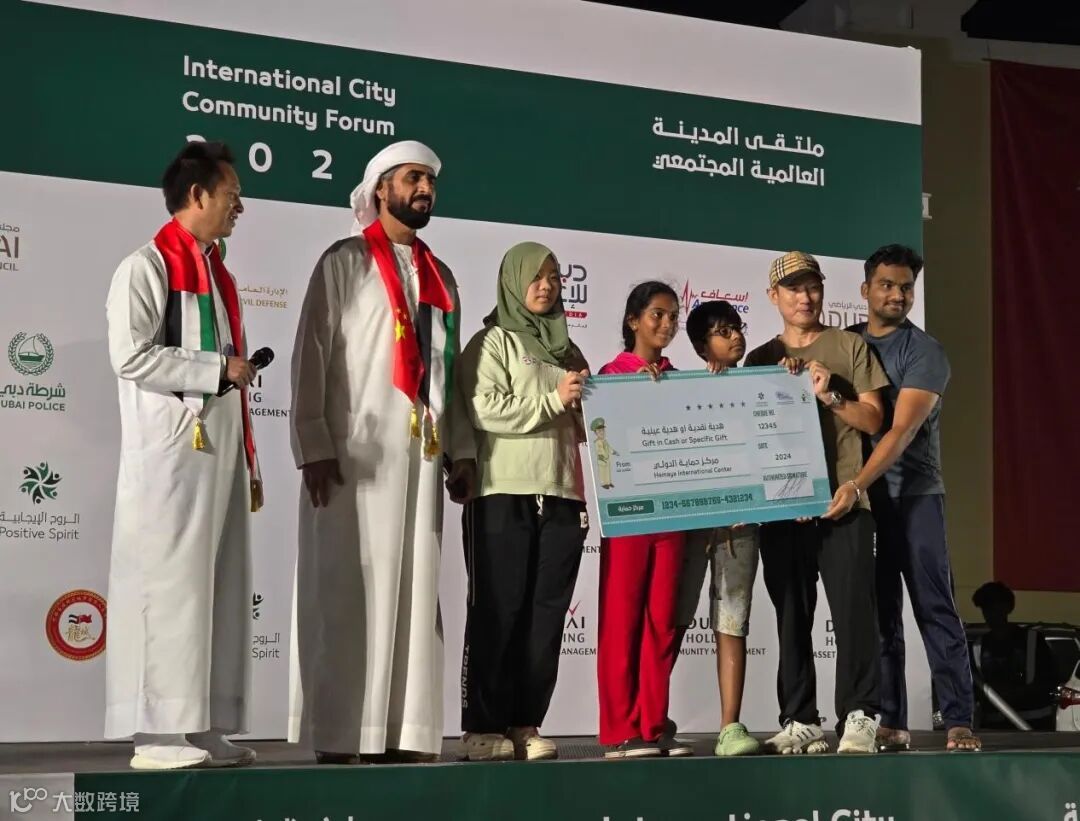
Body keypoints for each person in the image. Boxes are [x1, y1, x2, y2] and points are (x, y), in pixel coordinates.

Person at [288, 140, 476, 764]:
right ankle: (344, 735)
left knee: (416, 590)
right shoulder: (343, 261)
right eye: (413, 177)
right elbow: (311, 355)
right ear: (380, 189)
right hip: (354, 456)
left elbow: (448, 373)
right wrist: (313, 443)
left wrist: (460, 452)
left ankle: (406, 733)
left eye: (431, 180)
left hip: (420, 456)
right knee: (349, 588)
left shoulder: (441, 275)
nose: (425, 188)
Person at [104, 141, 261, 770]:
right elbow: (130, 355)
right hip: (170, 454)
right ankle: (155, 734)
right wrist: (216, 368)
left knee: (217, 586)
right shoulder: (145, 267)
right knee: (168, 588)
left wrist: (226, 371)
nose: (239, 207)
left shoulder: (217, 274)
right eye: (231, 196)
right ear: (196, 195)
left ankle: (201, 724)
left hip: (216, 452)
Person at [836, 244, 979, 752]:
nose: (897, 295)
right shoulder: (847, 343)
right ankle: (891, 721)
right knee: (880, 615)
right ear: (865, 290)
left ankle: (958, 719)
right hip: (866, 505)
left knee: (935, 608)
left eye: (905, 287)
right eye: (887, 285)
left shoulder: (924, 352)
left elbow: (898, 433)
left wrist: (855, 484)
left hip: (916, 498)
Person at [745, 251, 888, 755]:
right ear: (774, 297)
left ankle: (860, 714)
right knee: (791, 614)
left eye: (812, 287)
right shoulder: (760, 358)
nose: (805, 297)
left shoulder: (849, 346)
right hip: (784, 509)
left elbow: (874, 421)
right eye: (793, 288)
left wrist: (830, 395)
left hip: (845, 503)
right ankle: (800, 717)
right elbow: (751, 434)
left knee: (853, 612)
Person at [456, 242, 591, 761]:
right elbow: (484, 408)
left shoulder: (567, 351)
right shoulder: (492, 341)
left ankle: (525, 722)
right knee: (497, 610)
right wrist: (555, 400)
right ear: (512, 281)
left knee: (546, 617)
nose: (547, 286)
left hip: (562, 493)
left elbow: (587, 423)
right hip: (502, 491)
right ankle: (481, 726)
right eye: (536, 276)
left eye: (554, 277)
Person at [596, 281, 693, 759]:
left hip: (671, 516)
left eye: (673, 316)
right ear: (633, 320)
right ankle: (620, 731)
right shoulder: (609, 374)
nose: (667, 324)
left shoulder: (679, 379)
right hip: (629, 516)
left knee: (661, 624)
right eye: (657, 314)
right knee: (622, 622)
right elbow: (603, 440)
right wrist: (635, 390)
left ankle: (653, 726)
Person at [672, 300, 763, 757]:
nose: (735, 337)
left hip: (741, 524)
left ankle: (730, 726)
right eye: (722, 331)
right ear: (699, 346)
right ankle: (650, 718)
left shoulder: (763, 385)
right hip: (689, 525)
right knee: (672, 619)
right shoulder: (681, 390)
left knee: (733, 621)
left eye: (737, 327)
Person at [971, 582, 1060, 731]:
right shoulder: (978, 646)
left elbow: (1049, 680)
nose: (990, 614)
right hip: (995, 728)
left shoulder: (1034, 641)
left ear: (1008, 608)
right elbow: (974, 689)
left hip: (1035, 725)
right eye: (986, 609)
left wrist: (1017, 692)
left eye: (995, 607)